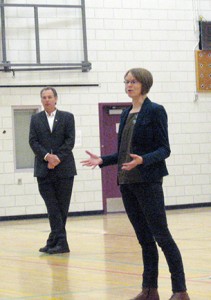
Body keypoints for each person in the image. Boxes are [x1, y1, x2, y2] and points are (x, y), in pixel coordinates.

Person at [81, 68, 190, 300]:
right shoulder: (127, 112)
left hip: (148, 181)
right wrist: (102, 160)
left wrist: (144, 160)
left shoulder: (156, 111)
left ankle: (180, 290)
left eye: (133, 81)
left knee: (162, 236)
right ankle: (150, 290)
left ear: (144, 84)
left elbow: (164, 149)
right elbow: (123, 152)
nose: (129, 85)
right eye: (126, 82)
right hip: (127, 182)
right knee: (144, 239)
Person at [29, 86, 77, 254]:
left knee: (61, 207)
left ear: (56, 99)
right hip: (44, 169)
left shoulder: (67, 117)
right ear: (41, 100)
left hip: (64, 170)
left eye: (50, 97)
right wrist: (47, 157)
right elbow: (33, 142)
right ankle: (59, 242)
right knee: (52, 206)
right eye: (44, 97)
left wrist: (57, 158)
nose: (47, 100)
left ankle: (56, 241)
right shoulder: (35, 119)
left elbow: (70, 141)